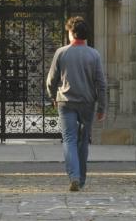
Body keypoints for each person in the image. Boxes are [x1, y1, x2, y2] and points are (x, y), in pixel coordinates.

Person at [45, 16, 106, 192]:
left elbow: (51, 80)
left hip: (66, 101)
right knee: (83, 141)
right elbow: (101, 83)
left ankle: (74, 177)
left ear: (72, 33)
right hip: (87, 102)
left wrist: (52, 96)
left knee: (69, 140)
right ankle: (82, 178)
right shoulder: (94, 55)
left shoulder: (62, 52)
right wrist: (102, 107)